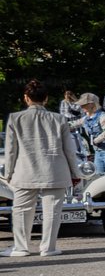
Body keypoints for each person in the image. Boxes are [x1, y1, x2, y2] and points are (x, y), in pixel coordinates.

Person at [5, 80, 81, 258]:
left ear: (26, 98)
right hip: (55, 170)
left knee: (21, 211)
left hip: (25, 171)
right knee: (53, 211)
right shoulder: (59, 119)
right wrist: (75, 172)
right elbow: (69, 150)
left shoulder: (15, 118)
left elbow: (10, 151)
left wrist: (8, 174)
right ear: (46, 99)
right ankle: (48, 248)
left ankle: (21, 248)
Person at [73, 93, 105, 174]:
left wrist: (95, 141)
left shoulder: (103, 116)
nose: (81, 107)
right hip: (98, 153)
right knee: (99, 179)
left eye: (84, 104)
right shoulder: (85, 118)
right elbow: (73, 124)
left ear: (91, 104)